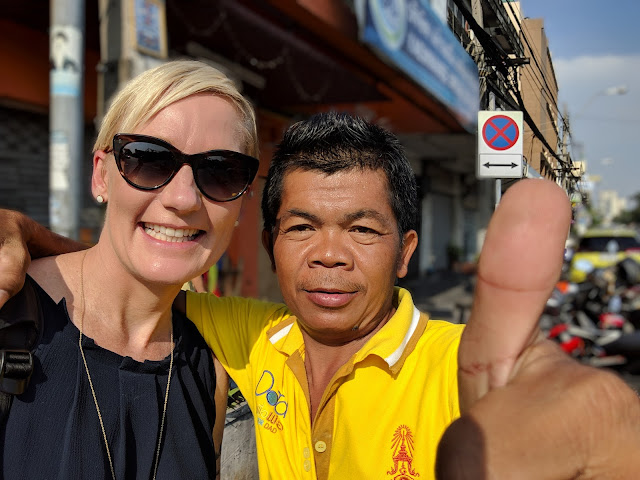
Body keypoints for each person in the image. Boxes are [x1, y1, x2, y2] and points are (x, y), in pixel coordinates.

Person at [2, 112, 640, 479]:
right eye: (302, 227)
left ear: (407, 252)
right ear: (272, 243)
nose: (329, 255)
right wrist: (24, 234)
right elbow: (121, 269)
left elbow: (546, 403)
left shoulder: (459, 370)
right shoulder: (249, 333)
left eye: (362, 229)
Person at [0, 59, 261, 479]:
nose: (184, 199)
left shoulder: (209, 372)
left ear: (242, 203)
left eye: (220, 172)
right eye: (150, 159)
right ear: (101, 175)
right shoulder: (9, 310)